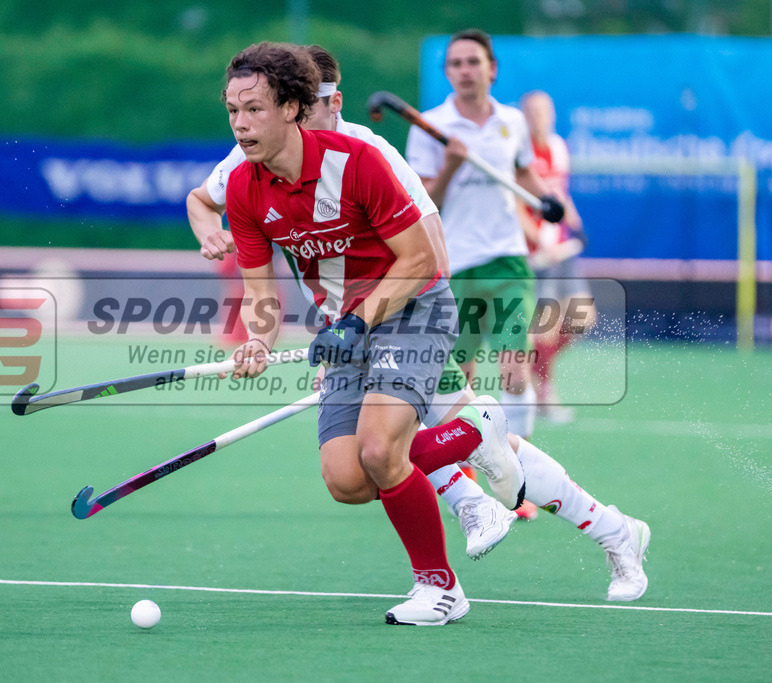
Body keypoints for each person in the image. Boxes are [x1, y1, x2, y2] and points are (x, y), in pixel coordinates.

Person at [219, 41, 527, 625]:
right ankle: (472, 431)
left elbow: (419, 261)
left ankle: (439, 589)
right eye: (233, 110)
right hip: (344, 326)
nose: (240, 123)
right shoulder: (243, 188)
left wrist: (361, 319)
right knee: (348, 479)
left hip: (413, 305)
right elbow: (261, 295)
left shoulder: (356, 159)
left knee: (381, 449)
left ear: (291, 107)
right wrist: (257, 340)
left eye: (253, 108)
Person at [404, 28, 564, 442]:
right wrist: (452, 167)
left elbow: (524, 170)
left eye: (473, 62)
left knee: (514, 369)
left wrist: (544, 197)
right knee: (462, 380)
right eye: (455, 64)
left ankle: (524, 472)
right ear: (447, 73)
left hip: (507, 260)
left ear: (491, 69)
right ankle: (470, 475)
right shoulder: (429, 126)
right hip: (452, 266)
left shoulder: (511, 121)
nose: (464, 70)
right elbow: (423, 202)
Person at [518, 90, 596, 424]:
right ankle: (543, 392)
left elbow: (559, 194)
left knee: (582, 319)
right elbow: (513, 203)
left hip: (562, 251)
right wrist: (538, 240)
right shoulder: (518, 152)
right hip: (535, 256)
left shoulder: (559, 148)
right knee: (544, 331)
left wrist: (575, 223)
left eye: (543, 111)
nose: (538, 117)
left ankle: (538, 378)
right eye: (532, 111)